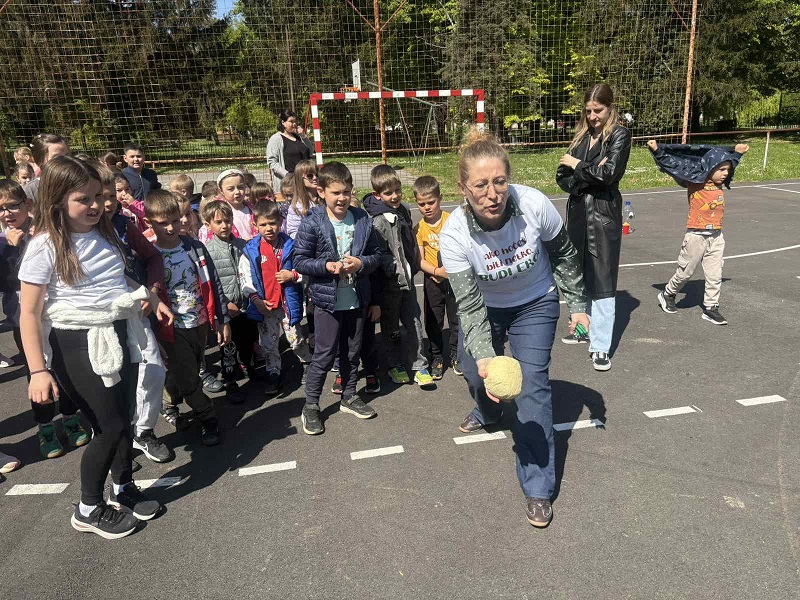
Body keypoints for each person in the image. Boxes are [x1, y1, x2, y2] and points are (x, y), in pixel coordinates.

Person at [440, 129, 590, 528]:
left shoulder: (534, 204)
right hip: (485, 308)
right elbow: (469, 304)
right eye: (480, 185)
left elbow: (564, 254)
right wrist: (484, 357)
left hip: (535, 302)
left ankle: (538, 486)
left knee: (532, 387)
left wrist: (578, 305)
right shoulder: (454, 234)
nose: (492, 194)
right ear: (463, 188)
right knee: (475, 371)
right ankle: (488, 410)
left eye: (499, 181)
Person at [19, 155, 170, 538]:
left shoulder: (105, 232)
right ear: (57, 200)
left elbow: (116, 280)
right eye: (83, 199)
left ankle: (123, 488)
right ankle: (88, 508)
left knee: (125, 415)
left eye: (98, 197)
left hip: (120, 331)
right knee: (108, 426)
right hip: (79, 342)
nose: (96, 205)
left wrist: (150, 298)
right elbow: (29, 313)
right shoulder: (43, 246)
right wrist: (38, 371)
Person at [293, 162, 382, 435]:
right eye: (335, 193)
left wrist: (361, 263)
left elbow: (376, 255)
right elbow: (299, 260)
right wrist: (326, 266)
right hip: (327, 301)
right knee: (324, 354)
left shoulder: (362, 218)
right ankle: (311, 405)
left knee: (352, 351)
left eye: (346, 191)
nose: (342, 198)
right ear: (321, 192)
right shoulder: (312, 222)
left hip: (356, 299)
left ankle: (349, 396)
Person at [96, 161, 174, 464]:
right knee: (109, 382)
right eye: (99, 197)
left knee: (153, 370)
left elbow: (153, 257)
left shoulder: (124, 225)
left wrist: (151, 292)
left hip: (135, 312)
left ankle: (143, 431)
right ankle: (113, 443)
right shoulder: (77, 232)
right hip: (99, 320)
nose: (106, 204)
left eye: (111, 197)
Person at [144, 190, 230, 446]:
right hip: (171, 328)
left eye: (175, 220)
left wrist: (223, 318)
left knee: (185, 369)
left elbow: (214, 282)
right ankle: (207, 416)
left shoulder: (194, 247)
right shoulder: (149, 255)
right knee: (189, 379)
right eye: (163, 223)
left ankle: (168, 403)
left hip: (200, 322)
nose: (171, 227)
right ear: (149, 222)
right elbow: (146, 296)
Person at [556, 83, 631, 372]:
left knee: (602, 280)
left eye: (597, 110)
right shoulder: (581, 137)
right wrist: (588, 173)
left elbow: (609, 174)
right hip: (578, 213)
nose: (592, 116)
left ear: (610, 108)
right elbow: (562, 176)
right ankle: (581, 328)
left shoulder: (620, 135)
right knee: (578, 274)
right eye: (588, 111)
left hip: (603, 217)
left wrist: (578, 165)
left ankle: (600, 346)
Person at [649, 140, 750, 324]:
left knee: (714, 275)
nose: (725, 173)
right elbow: (674, 166)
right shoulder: (694, 180)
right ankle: (668, 293)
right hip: (696, 236)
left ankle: (711, 308)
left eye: (727, 170)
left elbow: (731, 163)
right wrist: (657, 151)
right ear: (709, 167)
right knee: (685, 272)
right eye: (721, 170)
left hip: (716, 236)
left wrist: (737, 154)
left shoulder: (720, 182)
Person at [363, 165, 434, 387]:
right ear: (377, 195)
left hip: (408, 281)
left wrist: (411, 266)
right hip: (389, 285)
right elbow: (379, 254)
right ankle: (395, 364)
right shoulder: (377, 221)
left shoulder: (402, 210)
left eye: (397, 190)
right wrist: (394, 268)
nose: (394, 196)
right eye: (388, 193)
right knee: (391, 327)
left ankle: (419, 365)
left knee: (414, 323)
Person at [239, 200, 312, 396]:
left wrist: (293, 275)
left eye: (272, 223)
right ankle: (274, 372)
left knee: (295, 338)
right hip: (266, 306)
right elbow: (245, 277)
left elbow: (305, 268)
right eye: (263, 224)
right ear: (255, 225)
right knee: (268, 343)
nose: (268, 228)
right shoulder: (251, 250)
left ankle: (307, 362)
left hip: (287, 304)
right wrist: (255, 300)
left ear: (280, 222)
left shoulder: (291, 246)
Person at [202, 200, 253, 395]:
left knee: (246, 340)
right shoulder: (208, 251)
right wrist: (224, 304)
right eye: (218, 222)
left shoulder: (242, 245)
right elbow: (210, 284)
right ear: (208, 225)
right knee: (227, 346)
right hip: (226, 309)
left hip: (245, 304)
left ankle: (247, 366)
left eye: (228, 220)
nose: (224, 225)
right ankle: (230, 380)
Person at [413, 175, 461, 379]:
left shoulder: (453, 220)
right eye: (422, 204)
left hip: (454, 278)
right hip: (433, 280)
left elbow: (462, 248)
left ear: (440, 198)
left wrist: (449, 270)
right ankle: (437, 356)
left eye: (431, 202)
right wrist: (436, 271)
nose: (427, 207)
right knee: (434, 320)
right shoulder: (419, 229)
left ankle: (456, 354)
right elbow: (420, 260)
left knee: (456, 319)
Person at [199, 169, 256, 242]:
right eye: (231, 189)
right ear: (221, 191)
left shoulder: (252, 209)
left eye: (240, 187)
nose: (237, 192)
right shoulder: (218, 211)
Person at [266, 109, 312, 185]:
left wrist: (303, 136)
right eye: (291, 121)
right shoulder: (276, 139)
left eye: (295, 121)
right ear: (283, 122)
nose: (294, 124)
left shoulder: (298, 136)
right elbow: (272, 162)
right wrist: (287, 175)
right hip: (289, 183)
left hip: (305, 180)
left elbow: (310, 151)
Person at [23, 133, 70, 203]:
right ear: (40, 162)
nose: (66, 160)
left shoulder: (78, 182)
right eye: (57, 158)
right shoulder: (31, 190)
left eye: (68, 155)